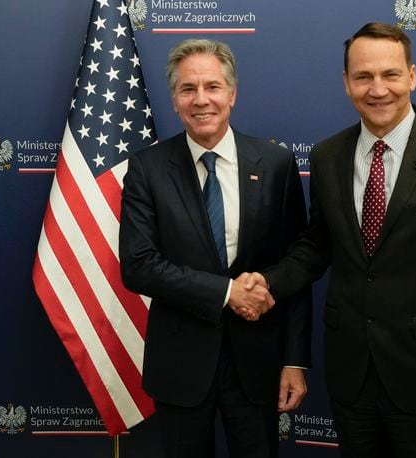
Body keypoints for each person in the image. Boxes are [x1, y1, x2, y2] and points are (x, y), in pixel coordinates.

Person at [249, 23, 416, 457]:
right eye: (364, 77)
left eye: (390, 74)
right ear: (347, 83)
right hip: (354, 375)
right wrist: (267, 283)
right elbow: (317, 247)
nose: (378, 89)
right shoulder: (328, 156)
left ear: (412, 76)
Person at [119, 39, 311, 458]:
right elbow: (138, 266)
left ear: (233, 94)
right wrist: (227, 293)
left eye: (213, 86)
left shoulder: (275, 163)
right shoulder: (147, 169)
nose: (201, 99)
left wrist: (295, 360)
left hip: (258, 364)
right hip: (181, 366)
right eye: (188, 89)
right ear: (174, 99)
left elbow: (296, 265)